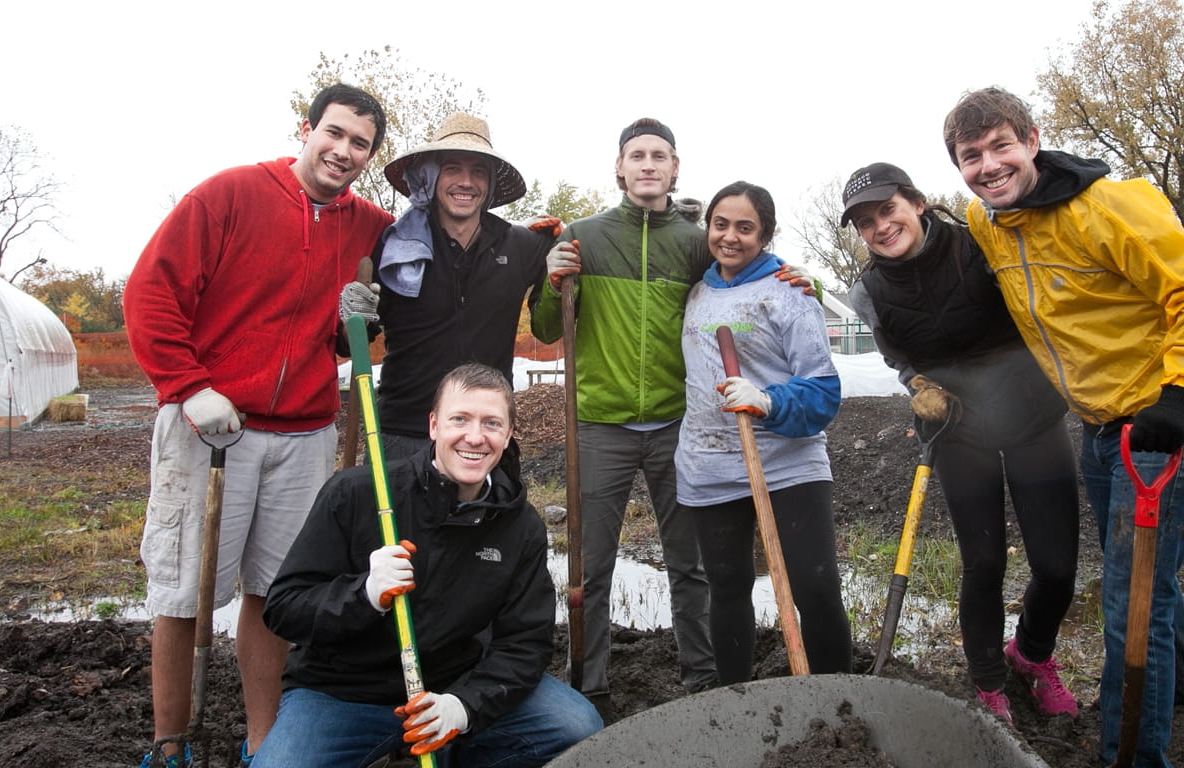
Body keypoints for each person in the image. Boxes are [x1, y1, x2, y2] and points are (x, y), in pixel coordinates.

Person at [944, 87, 1184, 767]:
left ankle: (1130, 755)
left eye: (1001, 146)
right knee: (1142, 576)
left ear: (1033, 139)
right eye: (971, 155)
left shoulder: (1108, 206)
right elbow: (929, 252)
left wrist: (1180, 393)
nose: (988, 166)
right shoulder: (987, 221)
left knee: (1130, 599)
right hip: (1104, 429)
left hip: (1168, 423)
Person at [123, 84, 395, 768]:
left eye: (359, 143)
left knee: (277, 593)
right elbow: (151, 292)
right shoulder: (231, 195)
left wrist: (359, 323)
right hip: (213, 426)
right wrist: (188, 387)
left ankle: (265, 741)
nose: (343, 150)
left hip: (304, 432)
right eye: (333, 133)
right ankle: (170, 742)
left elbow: (352, 336)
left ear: (370, 153)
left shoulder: (369, 226)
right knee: (186, 588)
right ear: (307, 129)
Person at [253, 363, 602, 767]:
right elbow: (284, 608)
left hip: (450, 685)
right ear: (434, 425)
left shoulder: (519, 525)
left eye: (492, 423)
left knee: (575, 725)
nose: (475, 437)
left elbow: (525, 643)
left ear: (508, 436)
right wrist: (363, 594)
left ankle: (455, 749)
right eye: (460, 419)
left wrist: (464, 707)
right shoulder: (357, 494)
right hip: (344, 693)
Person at [840, 162, 1081, 724]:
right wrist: (918, 385)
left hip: (1032, 418)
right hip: (958, 429)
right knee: (984, 562)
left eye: (888, 210)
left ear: (917, 203)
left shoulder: (982, 247)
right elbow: (900, 359)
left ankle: (1031, 656)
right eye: (865, 221)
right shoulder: (869, 291)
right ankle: (988, 682)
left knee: (1056, 566)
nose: (880, 227)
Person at [530, 118, 718, 712]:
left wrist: (801, 284)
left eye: (659, 156)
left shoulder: (694, 242)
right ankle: (590, 684)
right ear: (619, 167)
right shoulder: (583, 235)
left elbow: (740, 287)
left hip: (674, 424)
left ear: (675, 168)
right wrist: (551, 277)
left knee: (690, 562)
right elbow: (542, 327)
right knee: (591, 564)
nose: (647, 165)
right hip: (599, 426)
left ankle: (703, 679)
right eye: (636, 155)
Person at [677, 181, 853, 683]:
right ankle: (738, 704)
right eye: (721, 224)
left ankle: (836, 702)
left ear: (767, 234)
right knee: (727, 586)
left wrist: (768, 399)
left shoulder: (790, 294)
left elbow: (823, 392)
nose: (731, 237)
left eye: (746, 227)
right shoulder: (697, 291)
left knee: (815, 587)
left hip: (787, 463)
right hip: (708, 465)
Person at [347, 112, 556, 460]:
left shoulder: (520, 245)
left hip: (484, 434)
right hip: (403, 432)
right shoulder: (396, 247)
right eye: (453, 169)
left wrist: (566, 240)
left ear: (489, 183)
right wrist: (352, 316)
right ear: (431, 176)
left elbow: (574, 268)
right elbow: (353, 337)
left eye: (478, 171)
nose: (466, 182)